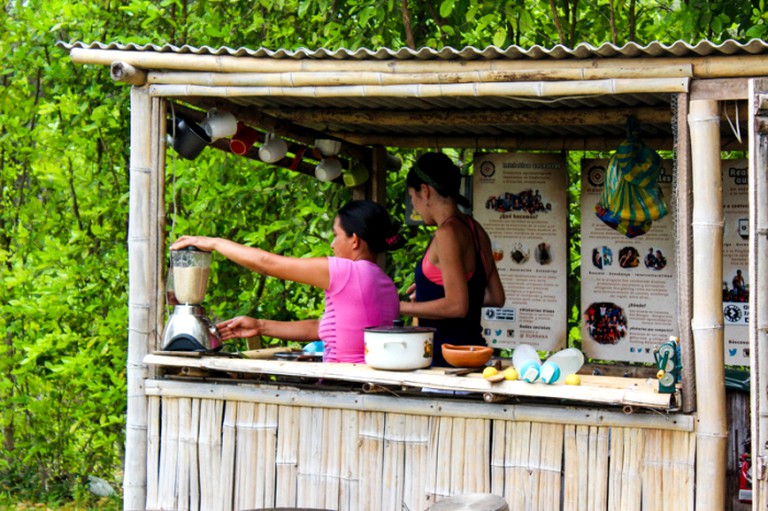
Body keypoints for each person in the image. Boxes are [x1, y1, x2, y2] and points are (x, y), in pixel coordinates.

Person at [170, 200, 404, 363]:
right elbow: (322, 329)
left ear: (354, 240)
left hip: (344, 389)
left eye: (336, 234)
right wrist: (260, 326)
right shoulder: (385, 284)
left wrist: (214, 243)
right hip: (362, 386)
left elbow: (267, 263)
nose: (332, 244)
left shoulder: (347, 272)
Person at [399, 152, 505, 366]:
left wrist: (399, 306)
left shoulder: (447, 233)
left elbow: (457, 306)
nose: (416, 209)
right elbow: (496, 297)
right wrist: (431, 295)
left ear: (425, 191)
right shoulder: (475, 229)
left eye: (413, 198)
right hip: (473, 354)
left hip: (447, 360)